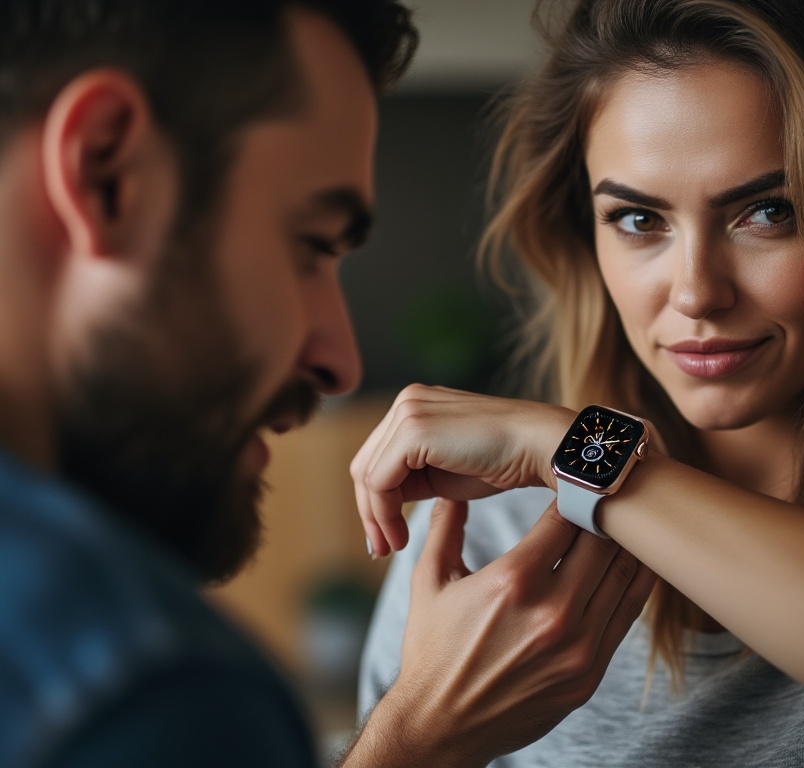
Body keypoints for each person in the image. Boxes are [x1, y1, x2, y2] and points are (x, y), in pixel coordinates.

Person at [354, 0, 804, 765]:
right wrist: (409, 741)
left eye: (769, 211)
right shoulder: (488, 530)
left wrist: (584, 456)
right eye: (640, 221)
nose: (697, 292)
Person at [0, 1, 658, 766]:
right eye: (311, 244)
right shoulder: (149, 696)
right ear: (107, 170)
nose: (341, 360)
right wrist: (414, 741)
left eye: (768, 211)